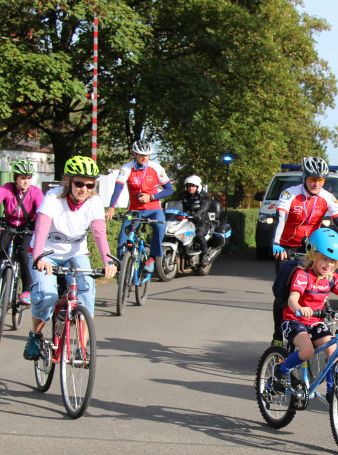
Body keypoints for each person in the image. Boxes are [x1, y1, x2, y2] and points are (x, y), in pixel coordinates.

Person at [23, 156, 117, 361]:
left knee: (87, 293)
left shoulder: (94, 202)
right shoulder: (53, 197)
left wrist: (108, 261)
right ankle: (36, 336)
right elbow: (41, 228)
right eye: (79, 183)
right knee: (46, 296)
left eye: (90, 184)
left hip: (76, 253)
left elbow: (99, 233)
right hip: (46, 254)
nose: (84, 188)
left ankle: (81, 348)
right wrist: (39, 255)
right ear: (68, 181)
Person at [269, 228, 338, 393]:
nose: (329, 265)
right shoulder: (302, 275)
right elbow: (292, 299)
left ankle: (331, 392)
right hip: (294, 320)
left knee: (334, 354)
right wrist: (300, 309)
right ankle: (281, 372)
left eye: (333, 261)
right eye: (324, 259)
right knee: (307, 351)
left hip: (316, 322)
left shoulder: (331, 278)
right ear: (313, 256)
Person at [268, 156, 338, 345]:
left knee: (317, 282)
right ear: (304, 177)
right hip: (286, 247)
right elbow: (281, 219)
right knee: (282, 295)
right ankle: (278, 335)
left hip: (312, 248)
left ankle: (314, 327)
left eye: (320, 180)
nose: (316, 184)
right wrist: (276, 243)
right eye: (312, 179)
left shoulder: (328, 197)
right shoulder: (289, 194)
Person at [0, 159, 44, 312]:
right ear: (15, 177)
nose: (26, 181)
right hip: (9, 225)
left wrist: (41, 226)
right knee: (2, 257)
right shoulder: (6, 189)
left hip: (27, 227)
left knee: (23, 253)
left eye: (29, 177)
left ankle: (26, 291)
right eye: (23, 177)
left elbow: (41, 210)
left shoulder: (35, 191)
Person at [106, 139, 173, 276]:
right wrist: (111, 207)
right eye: (141, 154)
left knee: (160, 228)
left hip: (154, 209)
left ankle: (152, 259)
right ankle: (123, 270)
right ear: (134, 154)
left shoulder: (156, 168)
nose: (144, 158)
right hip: (135, 211)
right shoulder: (126, 168)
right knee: (123, 241)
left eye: (147, 155)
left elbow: (169, 189)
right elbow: (118, 187)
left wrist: (151, 197)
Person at [178, 174, 216, 255]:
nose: (190, 188)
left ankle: (205, 255)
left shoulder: (204, 196)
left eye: (193, 186)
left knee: (199, 234)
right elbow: (177, 206)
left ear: (198, 186)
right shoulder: (183, 196)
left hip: (202, 221)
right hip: (186, 221)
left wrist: (197, 214)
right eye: (189, 186)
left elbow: (204, 206)